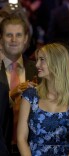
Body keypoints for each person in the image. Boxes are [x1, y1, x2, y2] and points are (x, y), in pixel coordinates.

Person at [17, 43, 69, 155]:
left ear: (56, 62)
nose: (37, 64)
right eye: (37, 60)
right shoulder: (30, 96)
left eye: (42, 60)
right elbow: (21, 139)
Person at [0, 14, 38, 155]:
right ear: (1, 38)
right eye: (9, 35)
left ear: (26, 39)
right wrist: (10, 96)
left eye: (18, 35)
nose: (14, 40)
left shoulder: (38, 70)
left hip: (31, 149)